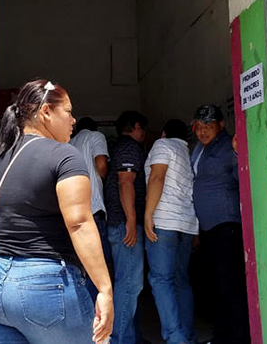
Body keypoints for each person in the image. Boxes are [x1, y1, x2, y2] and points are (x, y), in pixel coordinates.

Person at [0, 79, 113, 344]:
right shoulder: (65, 156)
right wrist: (105, 289)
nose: (73, 120)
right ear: (47, 111)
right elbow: (80, 223)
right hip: (45, 286)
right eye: (69, 112)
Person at [190, 104, 248, 343]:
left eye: (208, 127)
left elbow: (241, 177)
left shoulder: (227, 147)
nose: (203, 131)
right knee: (215, 283)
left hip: (226, 224)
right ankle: (223, 335)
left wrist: (237, 154)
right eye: (200, 127)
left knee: (230, 285)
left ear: (221, 126)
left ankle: (240, 337)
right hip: (209, 227)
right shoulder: (200, 148)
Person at [143, 119, 198, 344]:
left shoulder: (162, 145)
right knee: (180, 280)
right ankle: (188, 335)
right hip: (186, 224)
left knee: (161, 279)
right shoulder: (190, 154)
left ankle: (176, 338)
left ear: (164, 133)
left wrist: (148, 214)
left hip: (164, 222)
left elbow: (157, 176)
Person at [103, 110, 148, 344]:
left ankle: (127, 336)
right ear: (137, 126)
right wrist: (131, 220)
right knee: (129, 283)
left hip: (118, 222)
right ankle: (119, 339)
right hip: (124, 224)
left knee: (127, 282)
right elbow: (125, 182)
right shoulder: (129, 148)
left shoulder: (117, 147)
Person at [69, 117, 112, 287]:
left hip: (73, 211)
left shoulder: (69, 143)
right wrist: (105, 178)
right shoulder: (96, 136)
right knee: (98, 265)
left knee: (79, 265)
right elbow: (101, 164)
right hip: (94, 208)